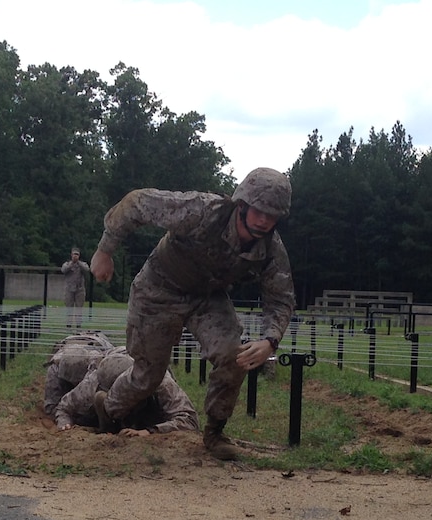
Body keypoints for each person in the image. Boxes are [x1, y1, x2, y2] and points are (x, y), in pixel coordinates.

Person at [89, 167, 295, 460]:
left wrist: (270, 340)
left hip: (207, 298)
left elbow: (281, 298)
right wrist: (105, 251)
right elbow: (137, 203)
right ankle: (108, 408)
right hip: (159, 289)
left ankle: (215, 433)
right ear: (242, 204)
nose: (263, 221)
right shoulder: (202, 211)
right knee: (149, 375)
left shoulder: (271, 249)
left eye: (272, 215)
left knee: (233, 356)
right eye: (259, 211)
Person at [55, 352, 198, 435]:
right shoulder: (92, 382)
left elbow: (190, 420)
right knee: (97, 403)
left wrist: (150, 431)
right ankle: (109, 426)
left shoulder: (160, 382)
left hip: (150, 410)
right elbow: (63, 407)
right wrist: (65, 424)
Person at [43, 331, 115, 416]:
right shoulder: (55, 368)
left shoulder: (97, 367)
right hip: (70, 343)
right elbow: (51, 407)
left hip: (99, 343)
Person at [61, 246, 90, 329]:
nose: (75, 256)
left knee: (79, 307)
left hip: (79, 289)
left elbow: (87, 269)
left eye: (77, 254)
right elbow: (63, 270)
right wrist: (71, 264)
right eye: (74, 254)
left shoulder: (82, 264)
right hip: (69, 289)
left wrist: (78, 263)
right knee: (69, 307)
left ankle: (78, 324)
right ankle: (68, 324)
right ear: (71, 255)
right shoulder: (67, 264)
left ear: (79, 256)